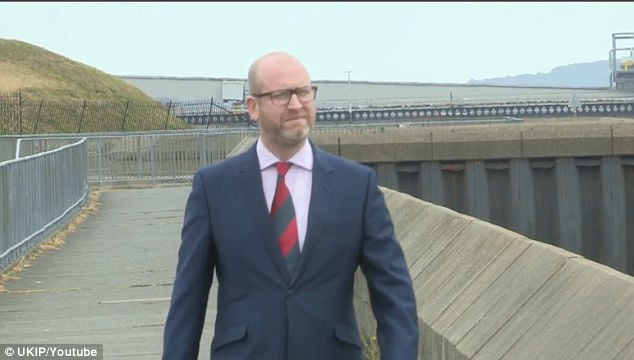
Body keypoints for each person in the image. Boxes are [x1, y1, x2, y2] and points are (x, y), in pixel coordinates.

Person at [162, 51, 419, 360]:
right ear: (253, 107)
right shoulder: (213, 187)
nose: (297, 104)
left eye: (304, 92)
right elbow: (188, 301)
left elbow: (394, 296)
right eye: (282, 95)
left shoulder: (357, 186)